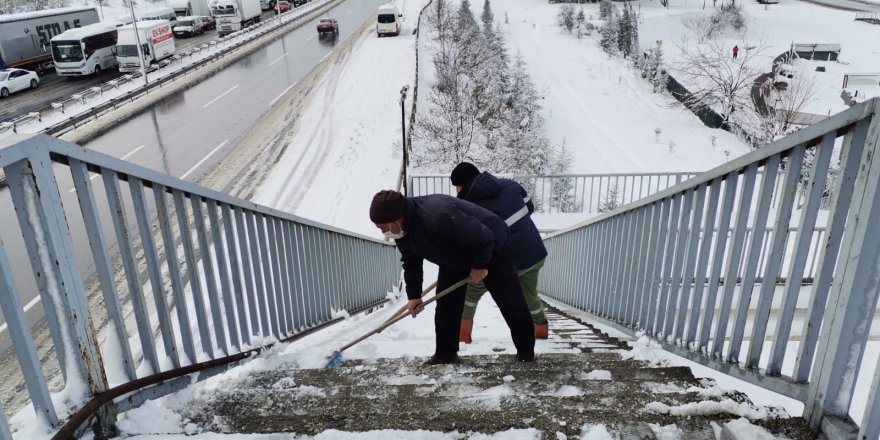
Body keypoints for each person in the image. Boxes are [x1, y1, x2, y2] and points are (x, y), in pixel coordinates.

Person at [369, 190, 536, 364]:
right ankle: (445, 354)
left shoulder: (437, 214)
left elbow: (483, 236)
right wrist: (414, 296)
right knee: (447, 305)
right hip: (455, 254)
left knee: (510, 301)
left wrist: (479, 265)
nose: (383, 233)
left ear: (395, 219)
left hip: (492, 245)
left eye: (382, 228)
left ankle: (526, 353)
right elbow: (411, 263)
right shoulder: (401, 232)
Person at [449, 162, 549, 343]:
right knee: (530, 294)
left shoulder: (467, 206)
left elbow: (473, 242)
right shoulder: (511, 185)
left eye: (456, 186)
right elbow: (530, 208)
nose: (456, 191)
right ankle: (541, 330)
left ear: (461, 185)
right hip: (533, 253)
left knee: (471, 292)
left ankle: (463, 337)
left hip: (503, 262)